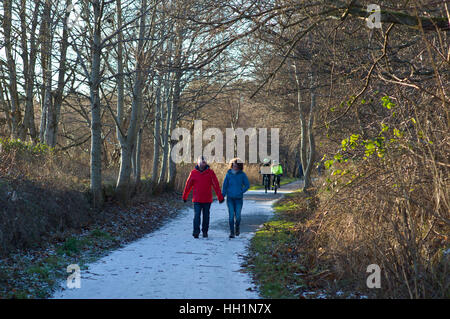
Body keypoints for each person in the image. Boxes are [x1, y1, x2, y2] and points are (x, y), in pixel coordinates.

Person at [182, 155, 224, 238]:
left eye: (204, 162)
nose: (202, 164)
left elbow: (216, 186)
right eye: (201, 162)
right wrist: (185, 196)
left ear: (206, 163)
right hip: (197, 199)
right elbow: (188, 185)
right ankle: (196, 232)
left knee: (206, 216)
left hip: (207, 199)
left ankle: (205, 231)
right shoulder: (193, 173)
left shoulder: (211, 173)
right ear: (198, 162)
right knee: (196, 215)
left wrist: (220, 197)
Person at [222, 158, 250, 239]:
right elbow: (224, 186)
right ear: (232, 165)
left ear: (239, 166)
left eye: (236, 166)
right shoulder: (228, 174)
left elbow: (247, 185)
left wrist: (241, 191)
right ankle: (232, 232)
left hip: (238, 199)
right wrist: (222, 196)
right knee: (231, 216)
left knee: (238, 217)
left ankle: (237, 228)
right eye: (233, 165)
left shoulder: (242, 175)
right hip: (230, 198)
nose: (235, 167)